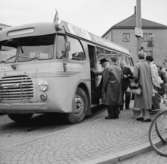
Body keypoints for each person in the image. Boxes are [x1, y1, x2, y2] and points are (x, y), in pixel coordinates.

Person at [133, 53, 153, 122]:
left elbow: (135, 76)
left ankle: (146, 117)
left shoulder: (137, 65)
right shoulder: (148, 65)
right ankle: (141, 115)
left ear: (138, 57)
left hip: (140, 85)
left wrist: (134, 81)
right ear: (144, 57)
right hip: (148, 84)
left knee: (141, 100)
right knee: (146, 99)